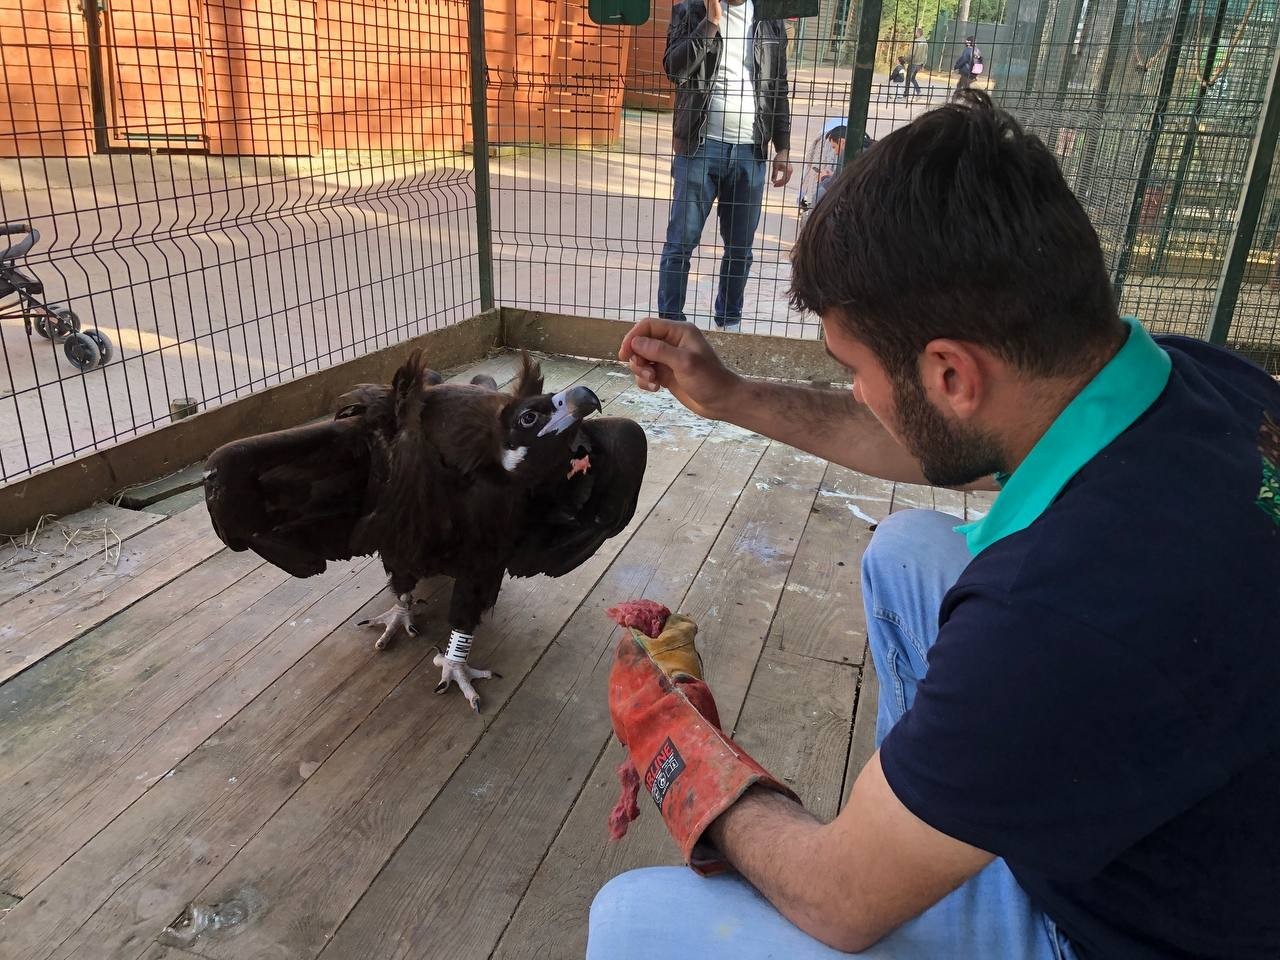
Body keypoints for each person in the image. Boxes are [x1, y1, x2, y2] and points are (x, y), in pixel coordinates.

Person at [590, 91, 1280, 959]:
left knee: (632, 923)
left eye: (854, 369)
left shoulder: (1052, 621)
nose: (856, 393)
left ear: (952, 373)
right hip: (1194, 806)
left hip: (1125, 928)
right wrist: (731, 398)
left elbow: (835, 898)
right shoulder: (1205, 382)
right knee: (910, 550)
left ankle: (916, 835)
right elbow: (942, 443)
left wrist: (686, 759)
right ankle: (936, 815)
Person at [657, 0, 794, 331]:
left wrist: (783, 146)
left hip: (751, 150)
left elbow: (777, 86)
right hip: (700, 148)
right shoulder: (690, 11)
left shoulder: (769, 20)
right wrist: (711, 23)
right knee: (681, 243)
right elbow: (675, 70)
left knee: (740, 250)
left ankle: (729, 325)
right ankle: (670, 327)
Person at [810, 125, 847, 209]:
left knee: (818, 196)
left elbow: (831, 187)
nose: (835, 152)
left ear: (842, 142)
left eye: (834, 147)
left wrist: (824, 178)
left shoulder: (845, 155)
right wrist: (833, 175)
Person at [905, 27, 928, 99]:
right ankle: (918, 91)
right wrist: (923, 64)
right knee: (912, 78)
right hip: (920, 63)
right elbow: (926, 54)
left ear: (918, 33)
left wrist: (906, 60)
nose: (914, 33)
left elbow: (912, 53)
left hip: (913, 62)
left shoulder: (916, 41)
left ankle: (906, 94)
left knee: (908, 78)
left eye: (915, 32)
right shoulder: (925, 42)